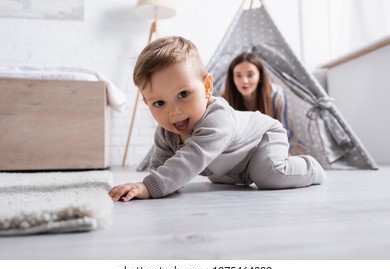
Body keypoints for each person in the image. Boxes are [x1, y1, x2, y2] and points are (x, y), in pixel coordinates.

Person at [109, 36, 326, 202]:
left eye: (183, 94)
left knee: (269, 176)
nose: (173, 112)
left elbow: (192, 157)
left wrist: (150, 187)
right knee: (219, 178)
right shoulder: (167, 131)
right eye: (159, 103)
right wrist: (163, 181)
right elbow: (161, 162)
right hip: (234, 167)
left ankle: (311, 167)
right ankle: (243, 174)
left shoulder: (217, 118)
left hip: (263, 138)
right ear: (148, 104)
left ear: (206, 87)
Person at [224, 52, 289, 132]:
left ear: (260, 76)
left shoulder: (277, 96)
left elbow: (283, 133)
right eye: (238, 76)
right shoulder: (223, 100)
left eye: (250, 75)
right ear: (232, 78)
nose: (244, 81)